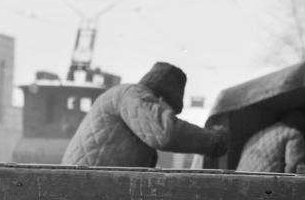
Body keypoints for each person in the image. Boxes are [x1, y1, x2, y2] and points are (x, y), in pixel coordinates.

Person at [61, 61, 228, 168]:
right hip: (87, 193)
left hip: (85, 190)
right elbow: (165, 132)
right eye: (169, 111)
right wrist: (215, 140)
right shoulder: (132, 94)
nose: (168, 116)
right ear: (160, 100)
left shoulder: (125, 98)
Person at [233, 113, 305, 175]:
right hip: (264, 184)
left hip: (240, 183)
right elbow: (293, 168)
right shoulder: (293, 134)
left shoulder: (257, 135)